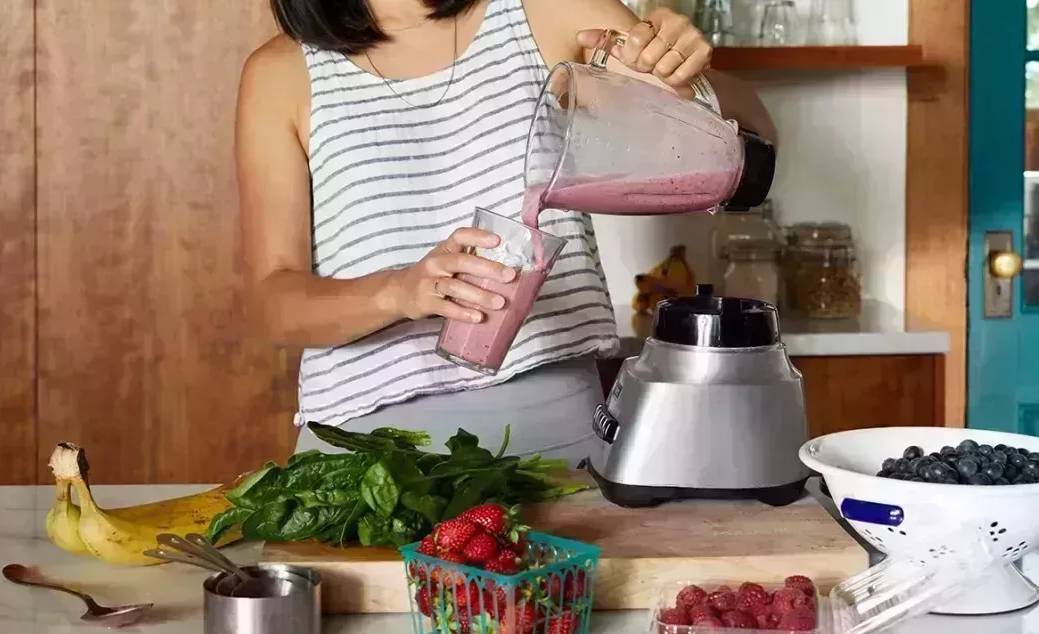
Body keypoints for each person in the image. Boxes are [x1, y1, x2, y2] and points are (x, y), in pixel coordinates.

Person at [237, 0, 776, 464]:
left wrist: (684, 80)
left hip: (557, 439)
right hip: (362, 459)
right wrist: (400, 291)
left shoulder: (548, 12)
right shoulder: (280, 74)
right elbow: (273, 302)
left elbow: (749, 142)